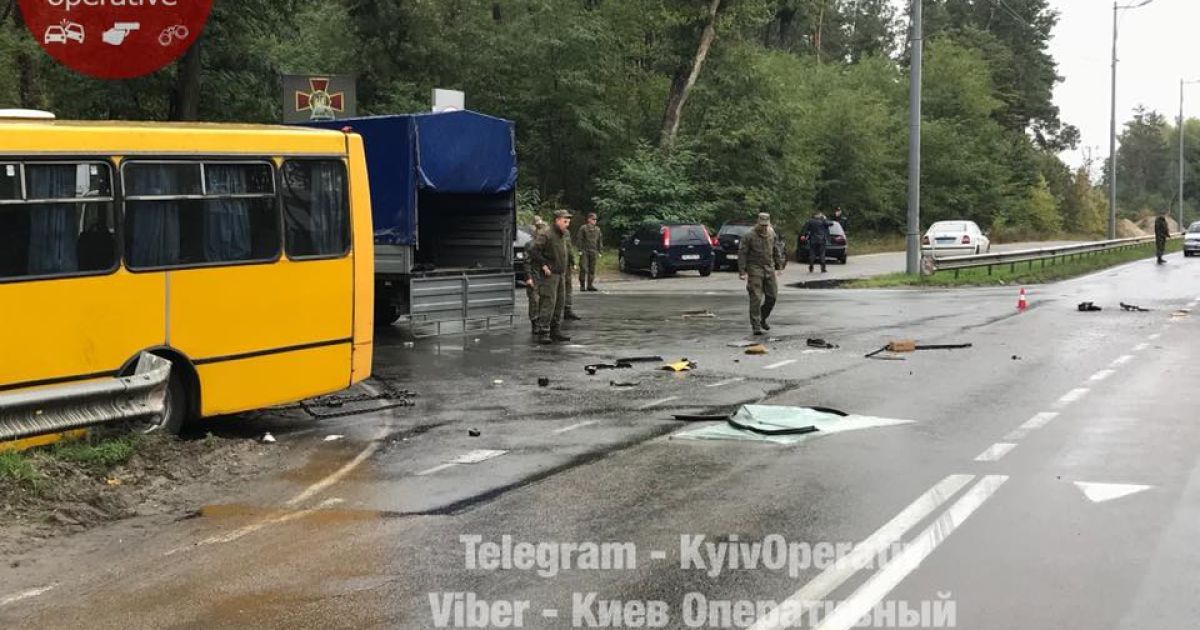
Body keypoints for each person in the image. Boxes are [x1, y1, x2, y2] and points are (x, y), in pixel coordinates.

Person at [529, 209, 573, 344]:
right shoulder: (547, 233)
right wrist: (544, 265)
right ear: (557, 220)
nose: (567, 224)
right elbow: (534, 250)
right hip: (550, 275)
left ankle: (555, 330)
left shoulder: (563, 234)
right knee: (548, 303)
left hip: (561, 274)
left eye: (568, 221)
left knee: (560, 303)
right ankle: (543, 332)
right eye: (565, 221)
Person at [738, 213, 785, 335]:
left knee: (772, 296)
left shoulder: (771, 233)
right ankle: (756, 325)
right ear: (758, 223)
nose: (764, 227)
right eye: (762, 225)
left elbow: (776, 249)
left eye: (766, 225)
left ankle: (762, 317)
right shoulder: (749, 235)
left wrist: (779, 265)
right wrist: (742, 271)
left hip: (769, 267)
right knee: (756, 297)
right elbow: (742, 253)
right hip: (754, 268)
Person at [524, 216, 547, 333]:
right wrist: (528, 277)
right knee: (534, 300)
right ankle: (535, 323)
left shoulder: (546, 245)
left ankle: (542, 323)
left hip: (544, 277)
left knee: (544, 300)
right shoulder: (530, 245)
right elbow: (527, 262)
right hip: (534, 275)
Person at [576, 212, 602, 291]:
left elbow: (599, 241)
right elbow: (579, 239)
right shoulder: (583, 228)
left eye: (595, 219)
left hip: (593, 250)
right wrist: (580, 250)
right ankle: (582, 285)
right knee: (583, 268)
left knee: (592, 269)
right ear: (589, 219)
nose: (594, 221)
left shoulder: (597, 229)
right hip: (585, 250)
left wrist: (600, 251)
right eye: (593, 219)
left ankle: (590, 285)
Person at [564, 236, 582, 320]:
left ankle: (567, 310)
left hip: (566, 265)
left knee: (568, 288)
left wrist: (573, 262)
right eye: (565, 222)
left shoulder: (566, 233)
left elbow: (569, 249)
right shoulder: (551, 234)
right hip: (556, 267)